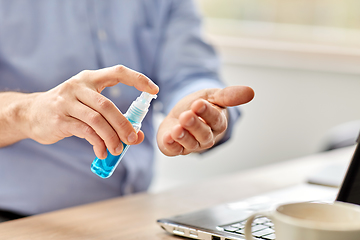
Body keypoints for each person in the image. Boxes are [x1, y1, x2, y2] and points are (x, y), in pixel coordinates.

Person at [0, 0, 254, 220]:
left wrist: (201, 108)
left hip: (133, 213)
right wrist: (27, 113)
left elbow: (190, 74)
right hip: (21, 221)